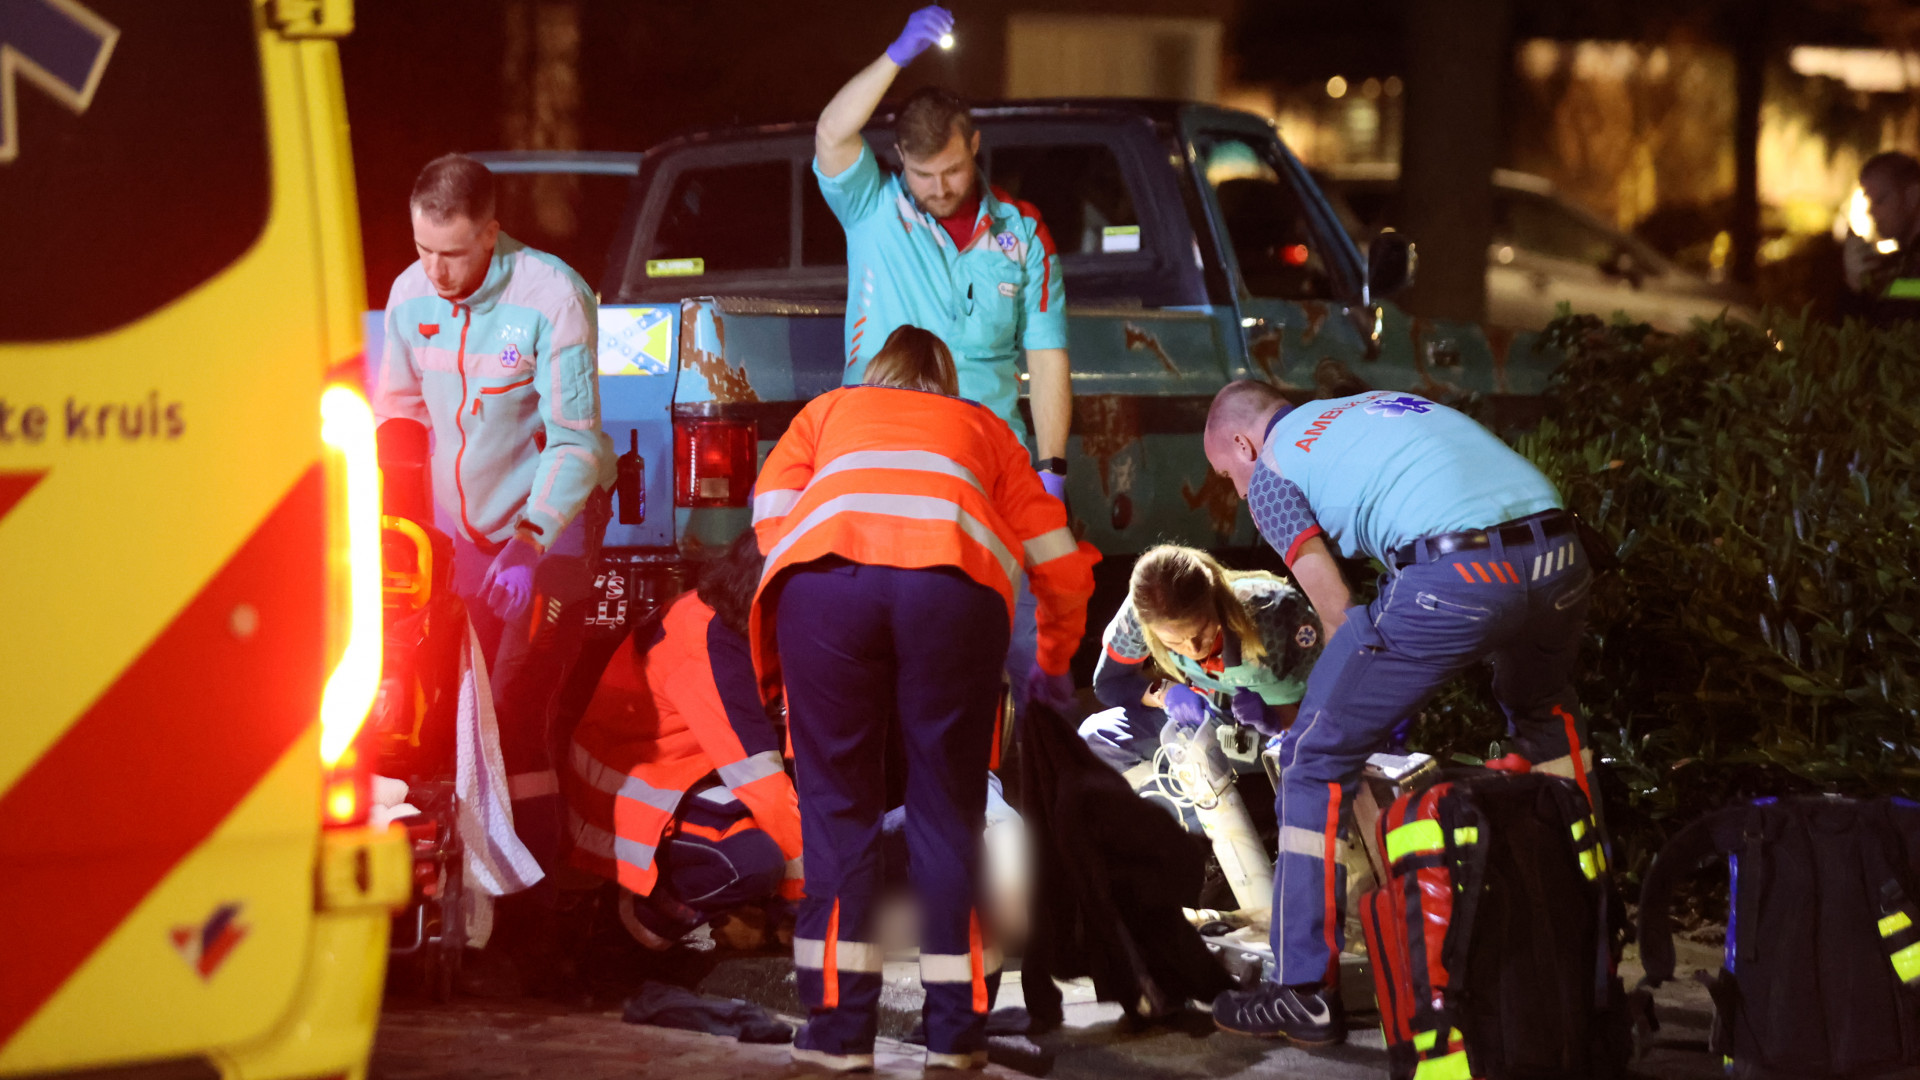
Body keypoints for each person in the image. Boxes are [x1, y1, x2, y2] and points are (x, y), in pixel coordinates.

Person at [1201, 381, 1595, 1046]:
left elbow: (1336, 613)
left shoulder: (1272, 471)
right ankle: (1590, 938)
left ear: (1243, 442)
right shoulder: (1375, 405)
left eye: (1226, 474)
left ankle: (1301, 992)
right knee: (1545, 717)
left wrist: (1334, 713)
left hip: (1460, 576)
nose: (1239, 492)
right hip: (1563, 558)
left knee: (1310, 759)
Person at [750, 325, 1097, 1070]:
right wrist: (1054, 658)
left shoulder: (828, 412)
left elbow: (772, 512)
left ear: (874, 375)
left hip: (827, 586)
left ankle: (839, 1037)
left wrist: (832, 570)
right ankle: (954, 1039)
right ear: (944, 382)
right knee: (948, 812)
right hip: (952, 592)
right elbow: (1059, 561)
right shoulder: (984, 428)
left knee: (839, 812)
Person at [814, 5, 1072, 714]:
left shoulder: (1024, 235)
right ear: (902, 165)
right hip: (885, 470)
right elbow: (833, 132)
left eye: (953, 169)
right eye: (924, 174)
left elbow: (1047, 357)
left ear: (976, 146)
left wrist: (1051, 470)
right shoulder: (872, 207)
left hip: (993, 470)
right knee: (906, 659)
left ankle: (1038, 798)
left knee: (1023, 650)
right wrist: (896, 55)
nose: (940, 187)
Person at [374, 153, 616, 883]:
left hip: (552, 525)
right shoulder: (408, 295)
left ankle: (536, 913)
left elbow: (574, 442)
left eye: (452, 253)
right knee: (452, 714)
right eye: (422, 250)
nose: (436, 272)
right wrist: (396, 522)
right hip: (463, 533)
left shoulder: (552, 296)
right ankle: (477, 893)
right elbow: (400, 415)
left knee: (512, 708)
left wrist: (530, 542)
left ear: (491, 233)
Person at [566, 531, 802, 950]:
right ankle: (649, 917)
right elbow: (759, 778)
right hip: (642, 795)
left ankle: (743, 909)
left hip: (690, 772)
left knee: (800, 828)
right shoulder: (710, 644)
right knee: (753, 861)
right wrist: (799, 900)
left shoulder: (742, 617)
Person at [1081, 545, 1320, 823]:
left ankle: (1254, 825)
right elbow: (1109, 684)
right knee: (1095, 738)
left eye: (1201, 631)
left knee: (1314, 780)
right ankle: (1188, 826)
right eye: (1174, 642)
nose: (1193, 648)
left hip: (1282, 738)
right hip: (1207, 721)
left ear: (1214, 600)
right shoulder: (1139, 615)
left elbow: (1333, 707)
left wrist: (1274, 719)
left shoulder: (1277, 613)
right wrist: (1164, 694)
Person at [1845, 151, 1920, 324]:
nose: (1870, 211)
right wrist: (1857, 284)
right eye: (1869, 201)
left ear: (1912, 196)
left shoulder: (1909, 268)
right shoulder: (1897, 263)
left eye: (1880, 200)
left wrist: (1861, 287)